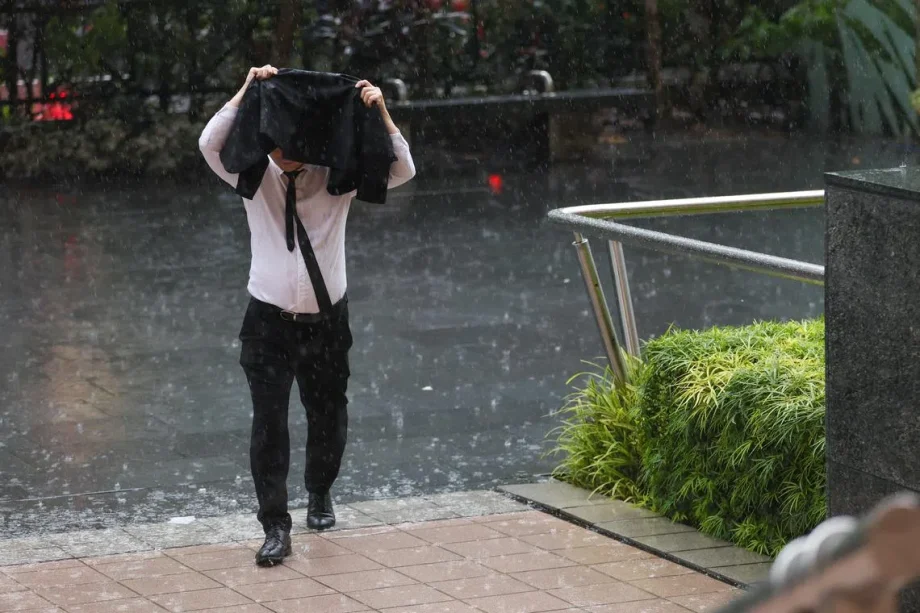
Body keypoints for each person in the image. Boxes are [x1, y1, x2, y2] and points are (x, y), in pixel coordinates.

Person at [198, 64, 416, 566]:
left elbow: (403, 169)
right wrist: (248, 91)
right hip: (267, 322)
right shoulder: (253, 172)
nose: (279, 150)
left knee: (328, 414)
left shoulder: (337, 176)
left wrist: (381, 112)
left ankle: (320, 491)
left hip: (327, 321)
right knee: (269, 425)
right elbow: (210, 144)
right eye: (273, 138)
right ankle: (275, 526)